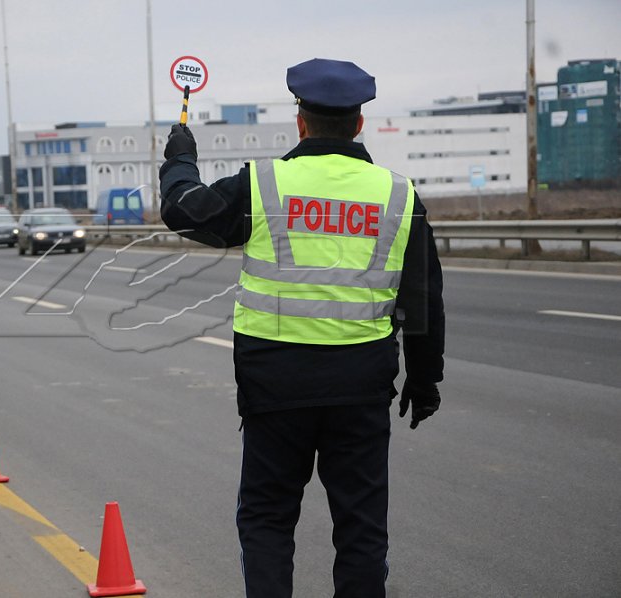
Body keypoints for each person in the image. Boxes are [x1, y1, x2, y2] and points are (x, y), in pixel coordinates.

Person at [160, 58, 445, 598]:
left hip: (275, 386)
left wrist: (180, 159)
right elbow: (424, 297)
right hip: (361, 388)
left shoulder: (265, 184)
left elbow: (183, 210)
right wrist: (425, 379)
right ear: (359, 124)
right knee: (361, 528)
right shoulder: (398, 195)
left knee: (268, 519)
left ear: (300, 122)